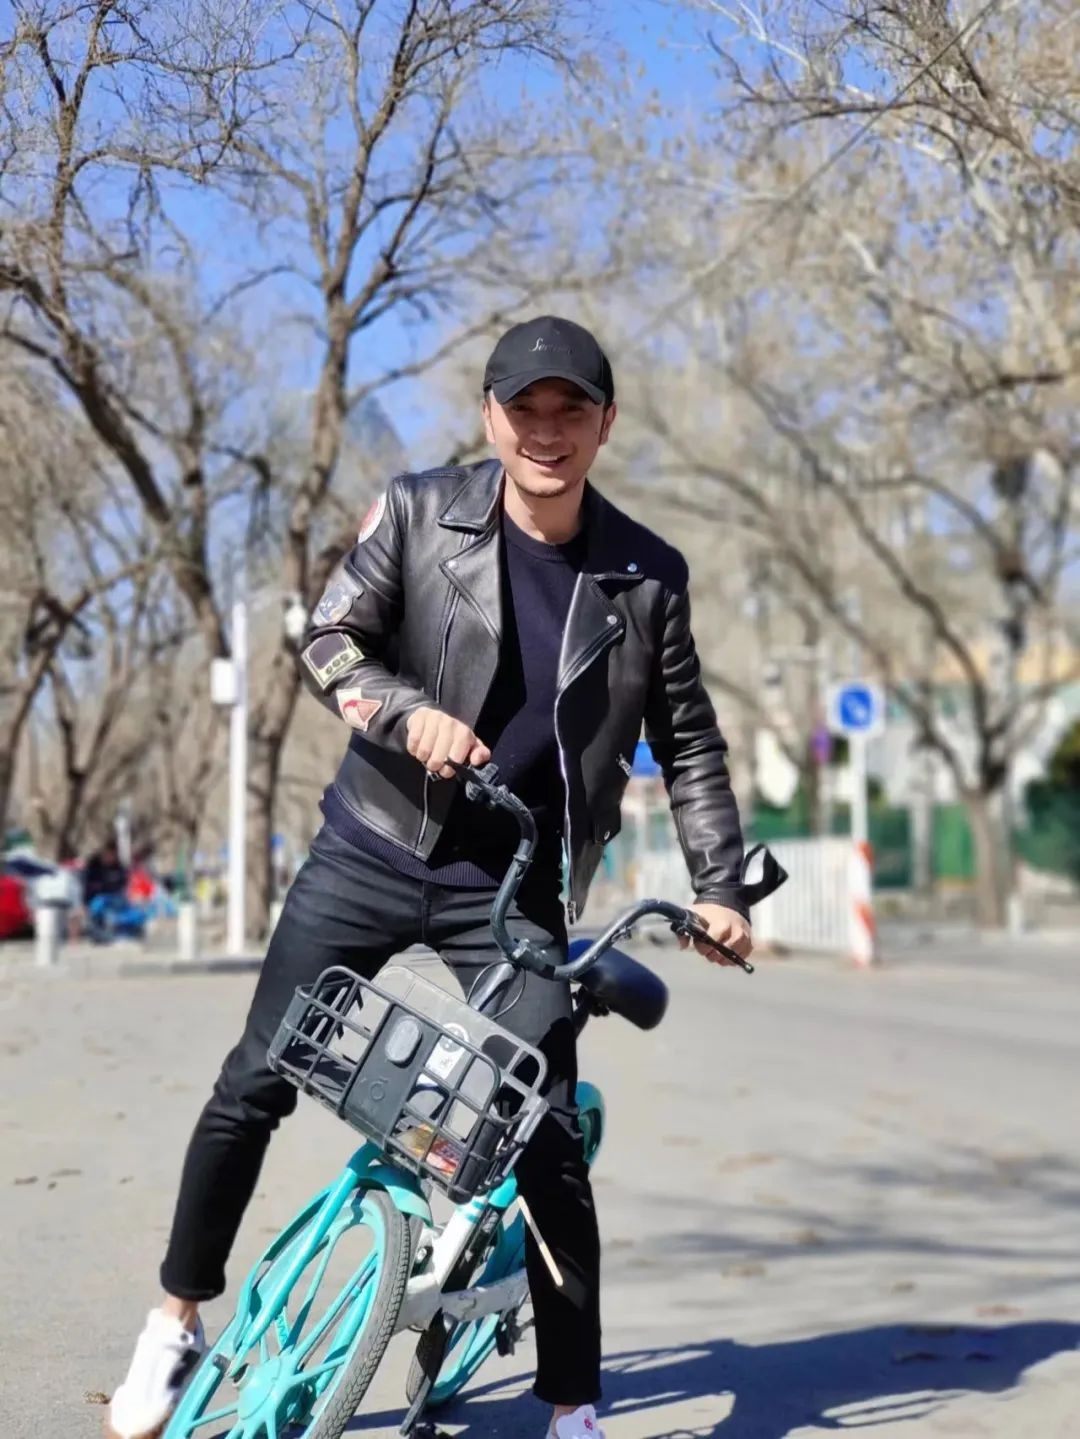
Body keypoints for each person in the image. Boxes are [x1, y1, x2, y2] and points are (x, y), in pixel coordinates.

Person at [106, 315, 753, 1439]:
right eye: (523, 408)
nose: (545, 431)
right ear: (489, 417)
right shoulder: (417, 511)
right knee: (254, 1081)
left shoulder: (648, 576)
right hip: (370, 845)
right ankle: (176, 1319)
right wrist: (407, 715)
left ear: (604, 422)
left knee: (545, 1131)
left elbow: (687, 740)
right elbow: (330, 640)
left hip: (511, 884)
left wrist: (722, 887)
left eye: (569, 409)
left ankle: (572, 1405)